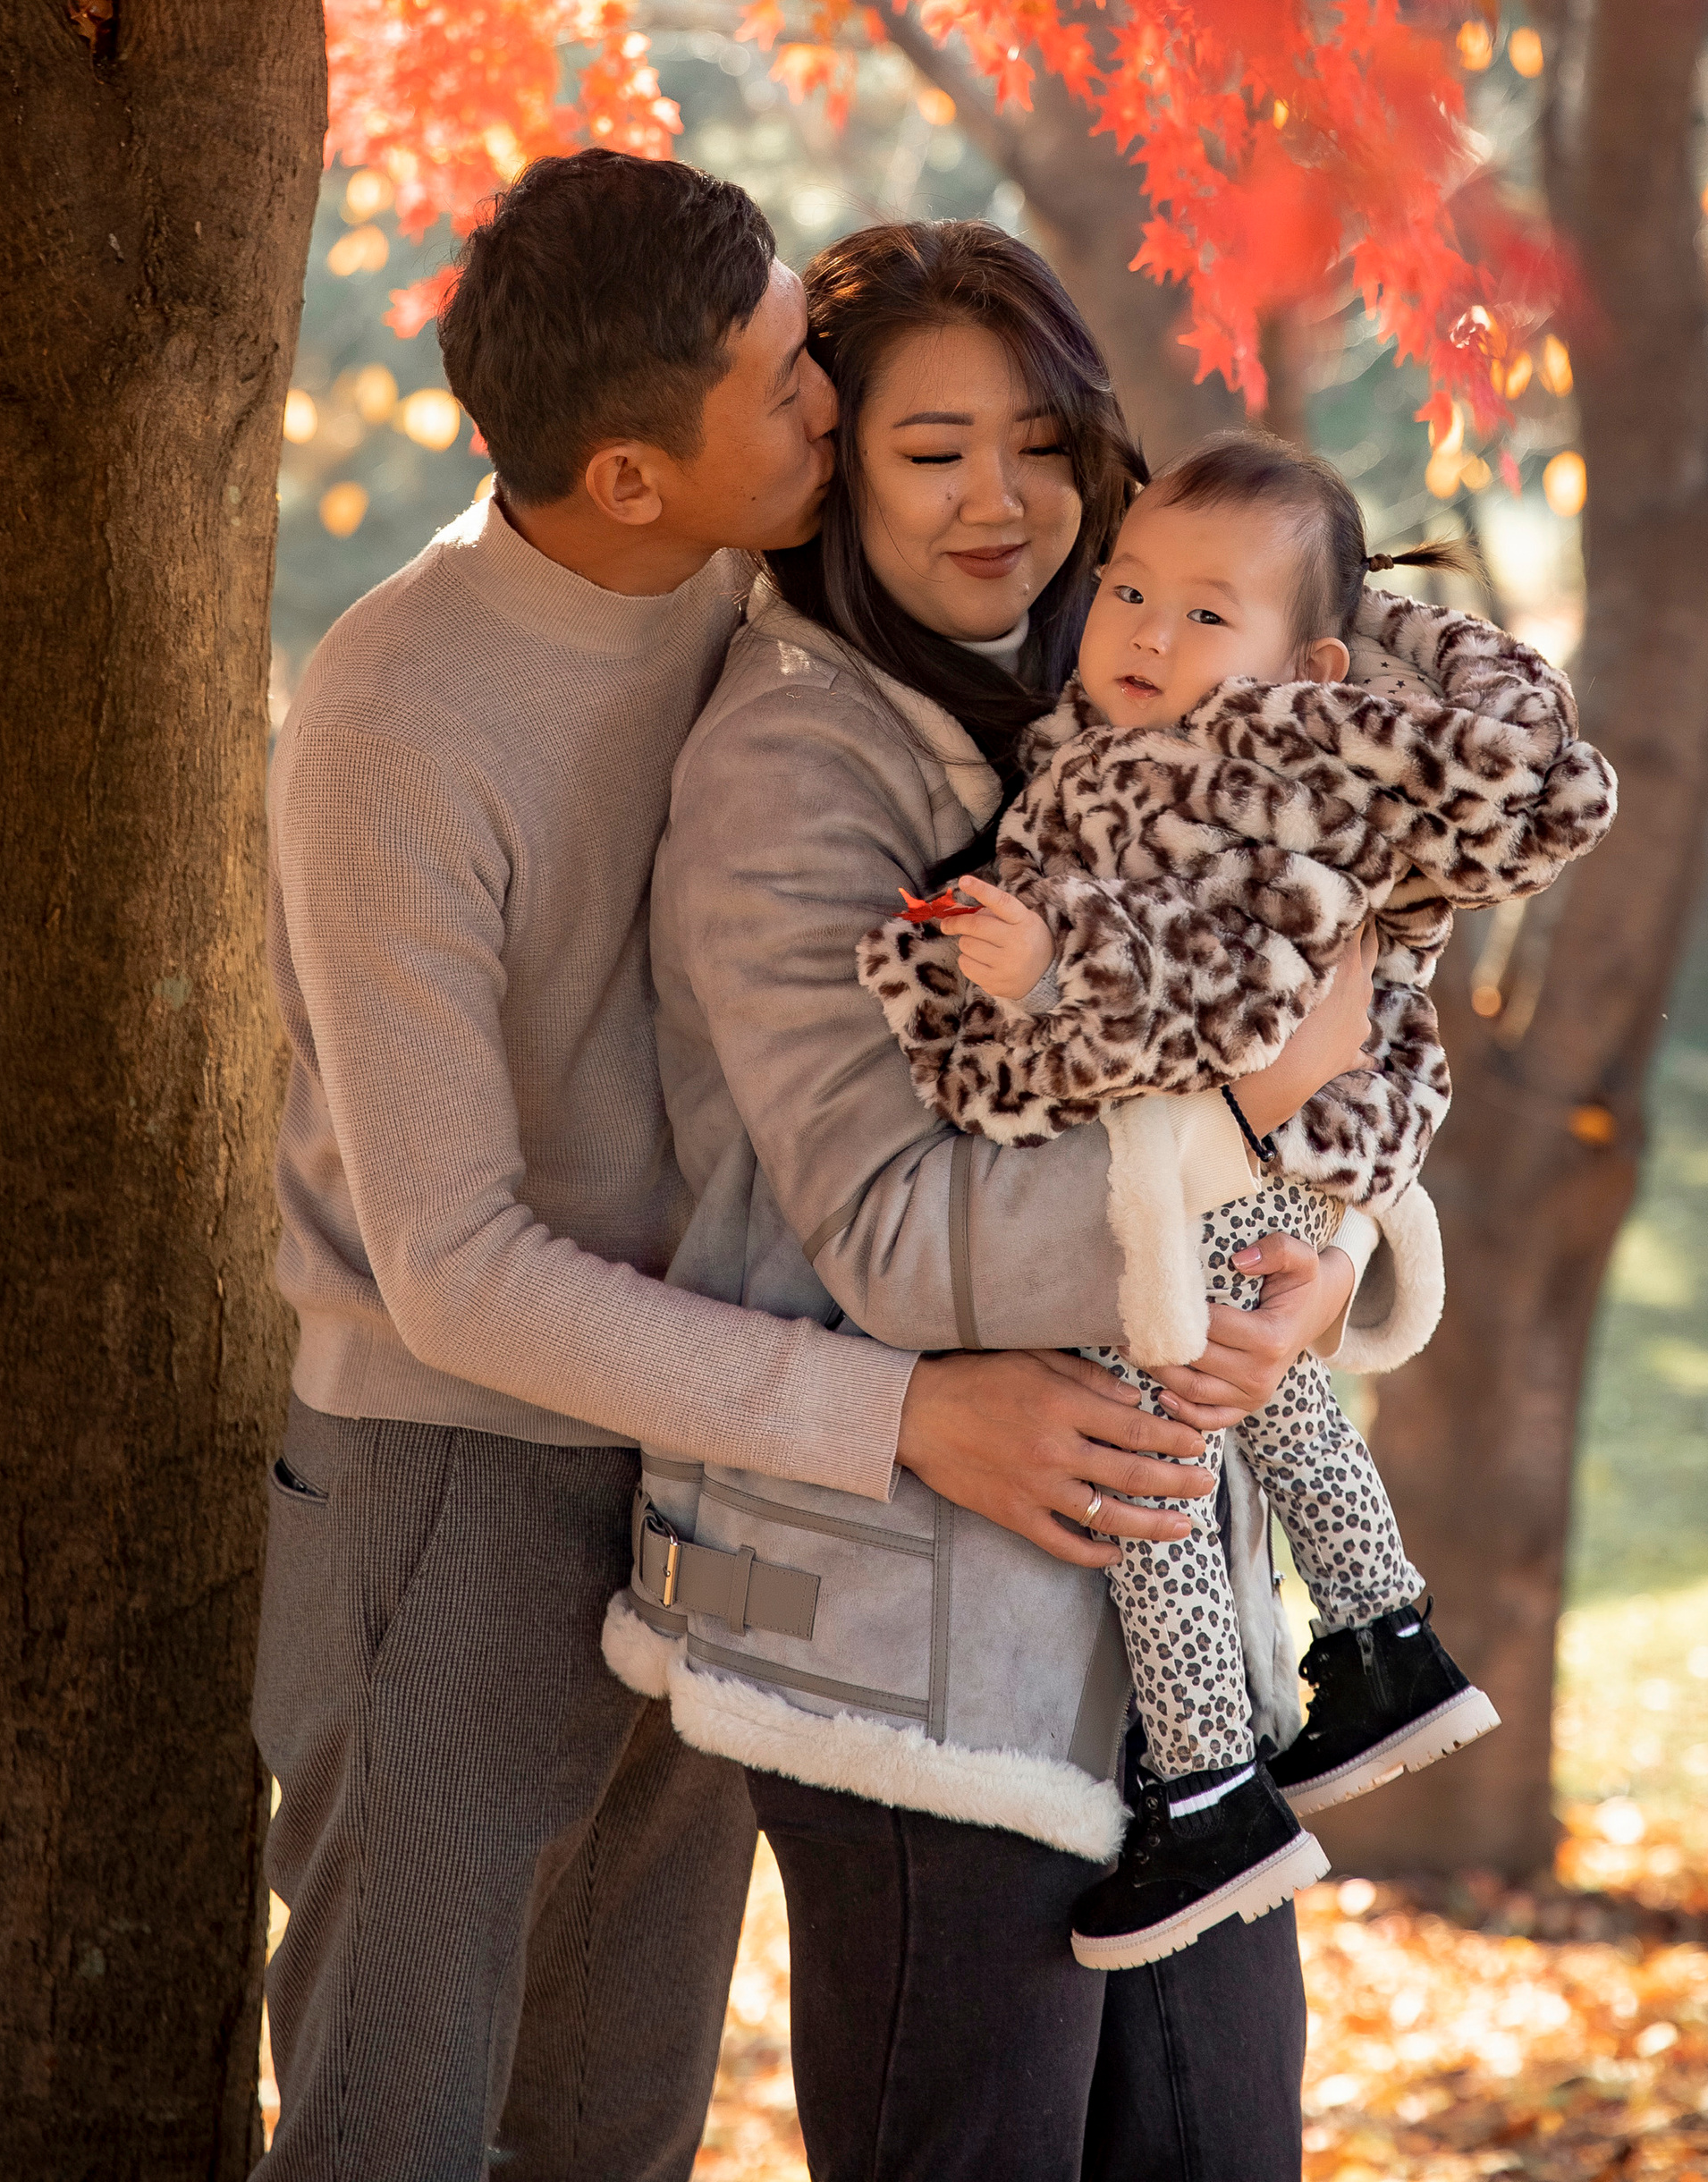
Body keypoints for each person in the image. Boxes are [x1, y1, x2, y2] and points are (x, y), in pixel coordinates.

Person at [252, 156, 1215, 2180]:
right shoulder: (394, 724)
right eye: (792, 382)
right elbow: (454, 1268)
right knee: (393, 2124)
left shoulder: (750, 586)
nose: (832, 406)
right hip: (455, 1479)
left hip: (711, 1453)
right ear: (627, 476)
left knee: (615, 2129)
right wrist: (898, 1419)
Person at [621, 221, 1416, 2182]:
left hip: (1170, 1635)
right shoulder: (791, 773)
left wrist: (1330, 1266)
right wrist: (1244, 1144)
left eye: (1044, 442)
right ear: (832, 473)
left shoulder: (1138, 705)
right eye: (932, 449)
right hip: (917, 1639)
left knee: (1220, 2145)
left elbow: (1338, 1041)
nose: (1006, 501)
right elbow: (890, 1234)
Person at [861, 431, 1619, 1968]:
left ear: (1307, 661)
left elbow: (1249, 984)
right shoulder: (1149, 738)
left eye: (1208, 615)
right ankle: (1387, 1639)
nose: (1145, 631)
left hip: (1200, 1161)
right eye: (1130, 589)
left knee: (1150, 1455)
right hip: (1223, 1170)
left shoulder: (1267, 767)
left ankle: (1210, 1783)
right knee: (1264, 1405)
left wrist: (1052, 966)